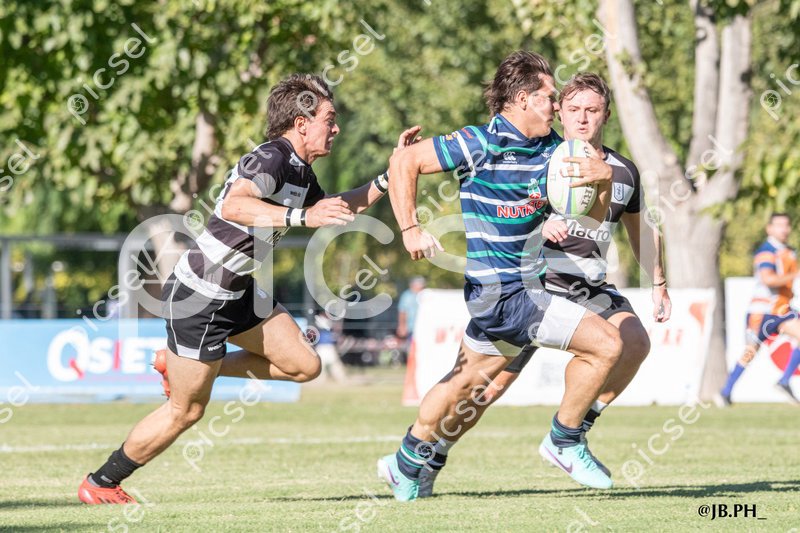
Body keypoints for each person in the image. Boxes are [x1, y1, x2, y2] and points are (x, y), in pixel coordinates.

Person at [78, 73, 421, 504]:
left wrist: (392, 175)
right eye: (329, 119)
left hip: (239, 290)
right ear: (301, 123)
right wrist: (301, 218)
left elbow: (337, 207)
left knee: (305, 365)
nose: (336, 128)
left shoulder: (300, 171)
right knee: (187, 411)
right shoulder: (272, 157)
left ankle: (187, 365)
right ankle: (101, 482)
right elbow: (234, 204)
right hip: (199, 297)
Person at [377, 51, 622, 500]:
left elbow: (591, 219)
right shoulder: (479, 142)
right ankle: (565, 440)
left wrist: (602, 180)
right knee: (607, 345)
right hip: (505, 292)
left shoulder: (555, 151)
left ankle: (405, 462)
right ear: (524, 99)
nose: (557, 106)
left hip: (518, 290)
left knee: (466, 384)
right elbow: (403, 163)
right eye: (550, 97)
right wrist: (410, 228)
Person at [414, 72, 672, 497]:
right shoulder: (541, 158)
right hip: (534, 284)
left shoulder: (623, 171)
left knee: (634, 343)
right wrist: (541, 220)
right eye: (573, 109)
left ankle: (571, 433)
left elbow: (640, 227)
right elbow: (510, 204)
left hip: (587, 286)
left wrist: (658, 282)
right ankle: (431, 456)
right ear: (560, 114)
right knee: (487, 389)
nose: (583, 118)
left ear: (606, 114)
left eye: (592, 110)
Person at [718, 213, 800, 405]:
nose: (784, 229)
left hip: (781, 310)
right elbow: (768, 279)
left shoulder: (789, 251)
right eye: (779, 225)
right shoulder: (767, 251)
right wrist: (794, 276)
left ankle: (784, 381)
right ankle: (725, 391)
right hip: (762, 311)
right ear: (769, 228)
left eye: (786, 225)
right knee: (750, 352)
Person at [397, 276, 425, 340]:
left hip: (423, 327)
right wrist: (402, 326)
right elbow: (402, 312)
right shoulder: (407, 296)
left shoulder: (425, 295)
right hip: (411, 328)